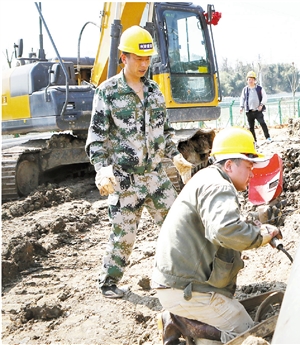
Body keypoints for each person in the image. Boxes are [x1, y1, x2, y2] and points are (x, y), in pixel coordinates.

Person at [85, 25, 191, 299]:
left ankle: (186, 277)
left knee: (179, 227)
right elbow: (96, 139)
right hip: (124, 179)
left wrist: (176, 155)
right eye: (138, 58)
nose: (144, 64)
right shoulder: (107, 92)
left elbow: (165, 131)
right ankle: (108, 282)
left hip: (156, 176)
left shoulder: (155, 91)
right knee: (123, 237)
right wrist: (102, 169)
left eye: (147, 59)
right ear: (124, 57)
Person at [151, 127, 282, 344]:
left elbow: (217, 223)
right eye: (249, 167)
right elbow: (224, 229)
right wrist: (259, 236)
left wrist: (250, 225)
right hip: (185, 288)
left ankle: (181, 320)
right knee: (248, 334)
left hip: (178, 283)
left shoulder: (209, 178)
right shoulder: (219, 185)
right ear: (229, 165)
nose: (252, 174)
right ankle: (179, 320)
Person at [239, 71, 271, 143]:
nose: (250, 81)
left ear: (254, 80)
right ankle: (254, 140)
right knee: (251, 127)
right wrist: (241, 107)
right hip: (249, 111)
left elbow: (265, 97)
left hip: (258, 111)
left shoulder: (259, 88)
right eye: (249, 79)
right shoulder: (245, 90)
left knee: (262, 123)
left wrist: (261, 105)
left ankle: (268, 137)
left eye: (252, 79)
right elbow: (242, 98)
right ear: (247, 80)